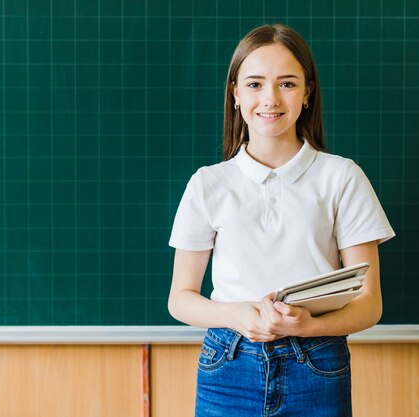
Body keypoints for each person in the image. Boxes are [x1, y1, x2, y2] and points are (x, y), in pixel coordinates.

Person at [167, 23, 395, 417]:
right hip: (228, 366)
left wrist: (304, 326)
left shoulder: (342, 177)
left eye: (287, 83)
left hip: (317, 365)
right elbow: (180, 299)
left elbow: (368, 303)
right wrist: (236, 314)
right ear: (235, 94)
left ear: (307, 93)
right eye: (254, 84)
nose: (270, 98)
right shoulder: (208, 183)